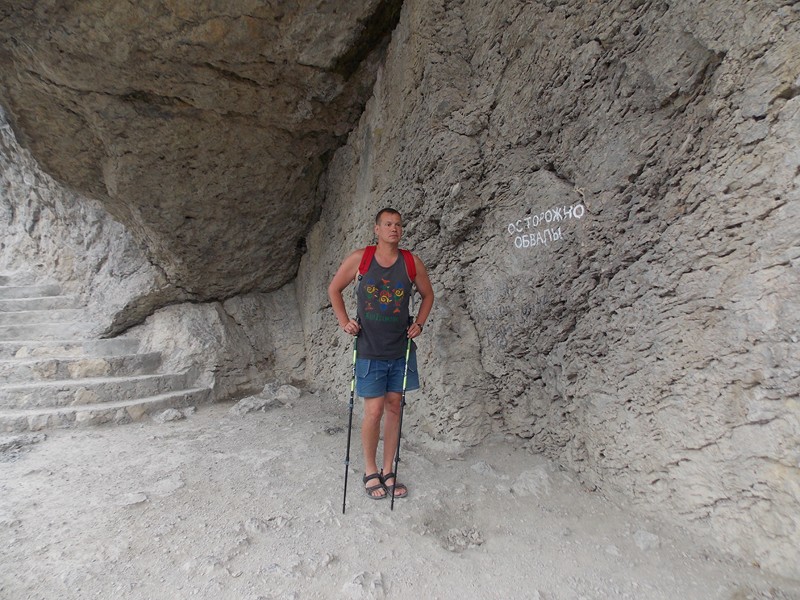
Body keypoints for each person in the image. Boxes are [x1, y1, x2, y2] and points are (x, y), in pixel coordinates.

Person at [328, 207, 434, 500]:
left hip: (400, 348)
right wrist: (344, 321)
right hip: (369, 348)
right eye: (387, 224)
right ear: (377, 229)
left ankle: (389, 469)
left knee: (395, 407)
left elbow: (428, 295)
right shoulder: (360, 259)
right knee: (373, 411)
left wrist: (420, 323)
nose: (394, 228)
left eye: (398, 224)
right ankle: (370, 470)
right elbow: (334, 289)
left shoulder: (411, 262)